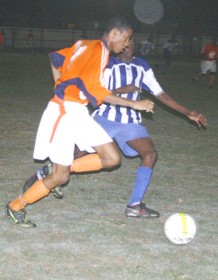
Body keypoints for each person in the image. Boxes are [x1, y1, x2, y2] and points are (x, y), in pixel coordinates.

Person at [22, 37, 208, 220]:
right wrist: (121, 90)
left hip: (130, 122)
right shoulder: (106, 63)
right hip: (105, 118)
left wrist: (187, 112)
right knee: (74, 155)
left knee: (150, 154)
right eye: (126, 41)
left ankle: (134, 206)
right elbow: (93, 89)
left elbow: (161, 94)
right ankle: (45, 173)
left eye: (132, 42)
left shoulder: (142, 66)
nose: (129, 45)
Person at [6, 16, 155, 228]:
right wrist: (134, 104)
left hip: (78, 112)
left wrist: (61, 82)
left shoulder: (84, 44)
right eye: (127, 38)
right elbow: (97, 91)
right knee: (61, 177)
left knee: (112, 159)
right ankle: (16, 206)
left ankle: (59, 168)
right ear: (114, 33)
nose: (127, 44)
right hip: (64, 112)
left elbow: (55, 58)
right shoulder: (99, 51)